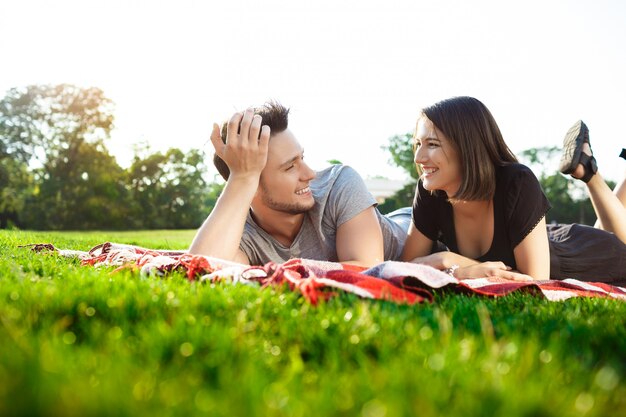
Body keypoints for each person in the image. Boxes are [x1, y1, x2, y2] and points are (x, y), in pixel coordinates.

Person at [401, 96, 626, 284]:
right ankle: (586, 168)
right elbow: (405, 268)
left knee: (618, 242)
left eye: (432, 144)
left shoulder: (517, 182)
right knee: (610, 230)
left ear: (467, 147)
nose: (419, 158)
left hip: (587, 255)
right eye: (419, 144)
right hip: (547, 238)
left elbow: (536, 281)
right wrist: (462, 268)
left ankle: (590, 174)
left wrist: (451, 261)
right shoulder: (431, 189)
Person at [189, 101, 410, 266]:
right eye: (289, 167)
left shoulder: (339, 183)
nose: (310, 173)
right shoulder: (239, 230)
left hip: (418, 227)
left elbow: (366, 271)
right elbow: (203, 272)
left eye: (301, 158)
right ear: (250, 185)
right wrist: (242, 178)